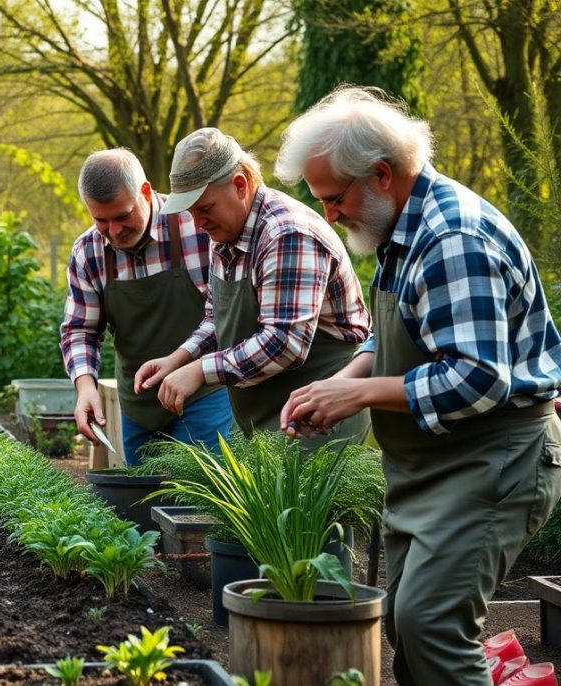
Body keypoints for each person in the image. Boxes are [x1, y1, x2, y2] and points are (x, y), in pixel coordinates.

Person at [274, 86, 561, 685]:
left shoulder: (452, 240)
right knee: (409, 627)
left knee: (432, 627)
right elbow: (396, 337)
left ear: (380, 174)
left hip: (493, 461)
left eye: (333, 198)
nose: (329, 214)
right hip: (434, 466)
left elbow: (478, 378)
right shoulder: (401, 231)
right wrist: (343, 378)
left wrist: (358, 396)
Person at [133, 128, 371, 449]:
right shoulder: (225, 232)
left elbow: (285, 342)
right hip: (264, 417)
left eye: (204, 208)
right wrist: (178, 358)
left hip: (320, 416)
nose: (197, 223)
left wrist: (201, 371)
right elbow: (216, 318)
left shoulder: (286, 235)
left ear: (240, 185)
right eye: (190, 212)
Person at [61, 148, 234, 466]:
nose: (114, 231)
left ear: (145, 191)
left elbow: (224, 315)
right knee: (140, 504)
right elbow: (80, 330)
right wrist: (86, 388)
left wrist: (187, 363)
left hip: (204, 393)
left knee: (200, 502)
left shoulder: (196, 227)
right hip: (139, 405)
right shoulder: (89, 251)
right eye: (101, 220)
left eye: (123, 216)